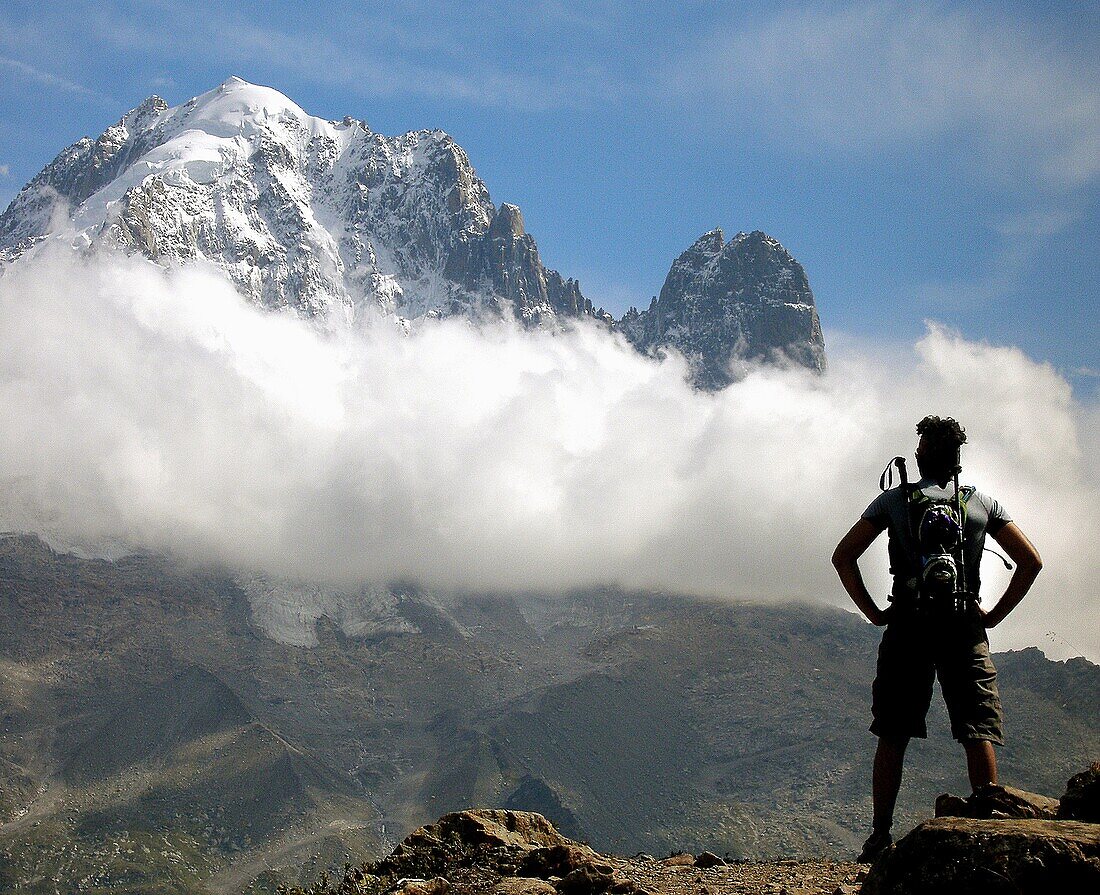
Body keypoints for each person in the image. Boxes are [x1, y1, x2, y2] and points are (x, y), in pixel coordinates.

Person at [831, 415, 1043, 863]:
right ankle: (988, 838)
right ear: (958, 457)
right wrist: (992, 616)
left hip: (907, 627)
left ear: (920, 454)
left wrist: (875, 613)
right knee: (977, 731)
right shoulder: (982, 503)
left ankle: (879, 835)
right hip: (964, 629)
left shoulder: (893, 501)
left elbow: (843, 555)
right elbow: (1030, 561)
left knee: (892, 734)